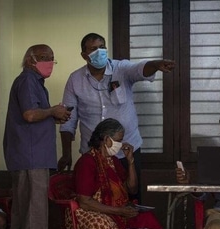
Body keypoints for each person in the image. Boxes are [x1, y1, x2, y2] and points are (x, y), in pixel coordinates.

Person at [58, 32, 176, 203]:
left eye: (102, 47)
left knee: (131, 198)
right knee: (98, 199)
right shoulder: (75, 79)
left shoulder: (121, 68)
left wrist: (156, 65)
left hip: (127, 149)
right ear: (84, 55)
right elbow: (68, 118)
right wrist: (66, 154)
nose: (100, 52)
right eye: (93, 49)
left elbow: (139, 68)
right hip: (94, 154)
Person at [3, 44, 70, 229]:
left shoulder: (29, 82)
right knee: (36, 221)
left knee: (22, 219)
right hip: (33, 160)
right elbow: (30, 115)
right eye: (44, 58)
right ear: (30, 60)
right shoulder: (29, 81)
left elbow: (32, 115)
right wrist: (53, 111)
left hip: (25, 158)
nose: (49, 62)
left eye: (52, 58)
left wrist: (53, 115)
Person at [73, 118, 163, 229]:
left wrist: (130, 162)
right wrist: (118, 212)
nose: (121, 144)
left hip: (117, 210)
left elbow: (131, 189)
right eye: (118, 139)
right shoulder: (87, 162)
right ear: (106, 139)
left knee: (148, 221)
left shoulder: (113, 161)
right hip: (89, 212)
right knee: (103, 225)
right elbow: (84, 201)